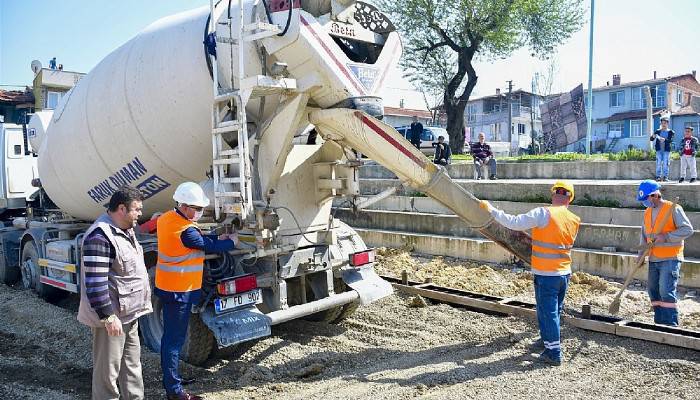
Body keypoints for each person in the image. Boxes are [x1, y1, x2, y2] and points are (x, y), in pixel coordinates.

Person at [481, 181, 580, 365]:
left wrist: (491, 210)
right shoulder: (574, 220)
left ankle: (553, 352)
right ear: (570, 199)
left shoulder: (543, 213)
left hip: (546, 274)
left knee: (547, 311)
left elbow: (514, 223)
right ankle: (548, 339)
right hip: (564, 273)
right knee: (554, 311)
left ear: (553, 195)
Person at [156, 182, 239, 400]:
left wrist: (215, 238)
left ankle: (173, 380)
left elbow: (199, 240)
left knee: (171, 339)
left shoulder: (168, 219)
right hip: (178, 290)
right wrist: (230, 242)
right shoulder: (185, 230)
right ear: (184, 206)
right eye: (198, 208)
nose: (200, 212)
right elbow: (203, 244)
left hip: (169, 287)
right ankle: (174, 391)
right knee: (174, 341)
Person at [77, 186, 151, 400]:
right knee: (107, 375)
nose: (139, 214)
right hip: (112, 318)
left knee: (132, 367)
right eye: (136, 210)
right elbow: (95, 282)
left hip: (129, 313)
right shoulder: (100, 236)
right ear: (121, 208)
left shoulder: (125, 229)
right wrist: (108, 317)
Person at [636, 180, 693, 326]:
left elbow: (687, 229)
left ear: (655, 195)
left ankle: (670, 325)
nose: (644, 203)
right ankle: (659, 323)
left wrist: (666, 236)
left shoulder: (673, 208)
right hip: (654, 258)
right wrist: (640, 255)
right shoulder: (647, 212)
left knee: (665, 290)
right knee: (653, 291)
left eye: (645, 199)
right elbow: (644, 234)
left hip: (670, 257)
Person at [651, 116, 674, 181]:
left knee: (665, 164)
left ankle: (665, 177)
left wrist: (664, 139)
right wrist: (653, 136)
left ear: (667, 124)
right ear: (661, 124)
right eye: (662, 123)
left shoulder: (671, 132)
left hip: (666, 150)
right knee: (658, 164)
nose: (663, 124)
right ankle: (658, 177)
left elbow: (670, 140)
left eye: (665, 123)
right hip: (659, 150)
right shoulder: (658, 131)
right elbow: (651, 139)